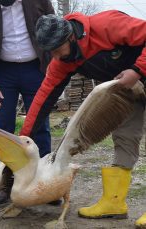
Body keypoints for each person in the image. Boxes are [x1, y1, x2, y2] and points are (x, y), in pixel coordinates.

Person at [20, 11, 146, 228]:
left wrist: (137, 69)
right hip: (126, 89)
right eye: (52, 53)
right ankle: (114, 204)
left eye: (58, 50)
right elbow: (43, 98)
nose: (57, 57)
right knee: (124, 137)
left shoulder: (107, 24)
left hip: (136, 72)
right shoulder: (62, 61)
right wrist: (24, 135)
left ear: (70, 37)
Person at [0, 0, 54, 206]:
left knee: (40, 126)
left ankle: (45, 184)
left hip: (35, 68)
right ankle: (6, 186)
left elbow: (53, 28)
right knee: (1, 129)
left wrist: (53, 68)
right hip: (2, 71)